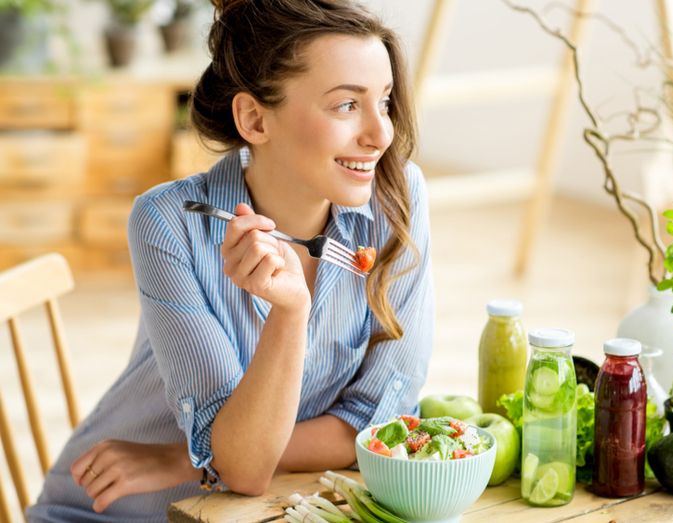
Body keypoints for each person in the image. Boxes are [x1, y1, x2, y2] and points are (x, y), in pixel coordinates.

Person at [27, 0, 433, 520]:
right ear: (254, 119)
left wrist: (187, 459)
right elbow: (244, 469)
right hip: (116, 511)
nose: (381, 135)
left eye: (384, 100)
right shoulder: (169, 221)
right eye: (346, 106)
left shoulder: (398, 201)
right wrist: (289, 313)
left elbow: (381, 422)